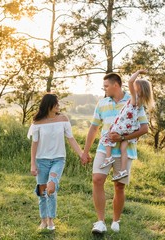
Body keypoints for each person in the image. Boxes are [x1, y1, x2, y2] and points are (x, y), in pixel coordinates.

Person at [81, 70, 150, 234]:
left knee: (119, 186)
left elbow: (144, 128)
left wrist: (123, 137)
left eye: (106, 86)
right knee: (97, 179)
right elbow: (93, 128)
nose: (104, 89)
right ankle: (100, 222)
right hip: (104, 148)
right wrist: (85, 151)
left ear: (116, 85)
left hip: (125, 149)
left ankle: (116, 220)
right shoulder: (102, 103)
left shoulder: (134, 101)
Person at [27, 93, 83, 231]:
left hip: (58, 159)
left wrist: (82, 154)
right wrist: (33, 163)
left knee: (51, 187)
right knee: (42, 191)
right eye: (56, 104)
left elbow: (71, 139)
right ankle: (44, 220)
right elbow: (34, 144)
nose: (59, 106)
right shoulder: (37, 122)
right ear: (49, 105)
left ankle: (51, 219)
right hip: (41, 160)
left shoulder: (63, 119)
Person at [99, 69, 154, 181]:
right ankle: (123, 171)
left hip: (123, 126)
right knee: (124, 148)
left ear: (137, 89)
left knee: (106, 136)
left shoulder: (134, 98)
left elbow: (129, 81)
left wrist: (138, 72)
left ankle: (108, 158)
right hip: (131, 129)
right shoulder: (141, 102)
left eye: (134, 86)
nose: (131, 87)